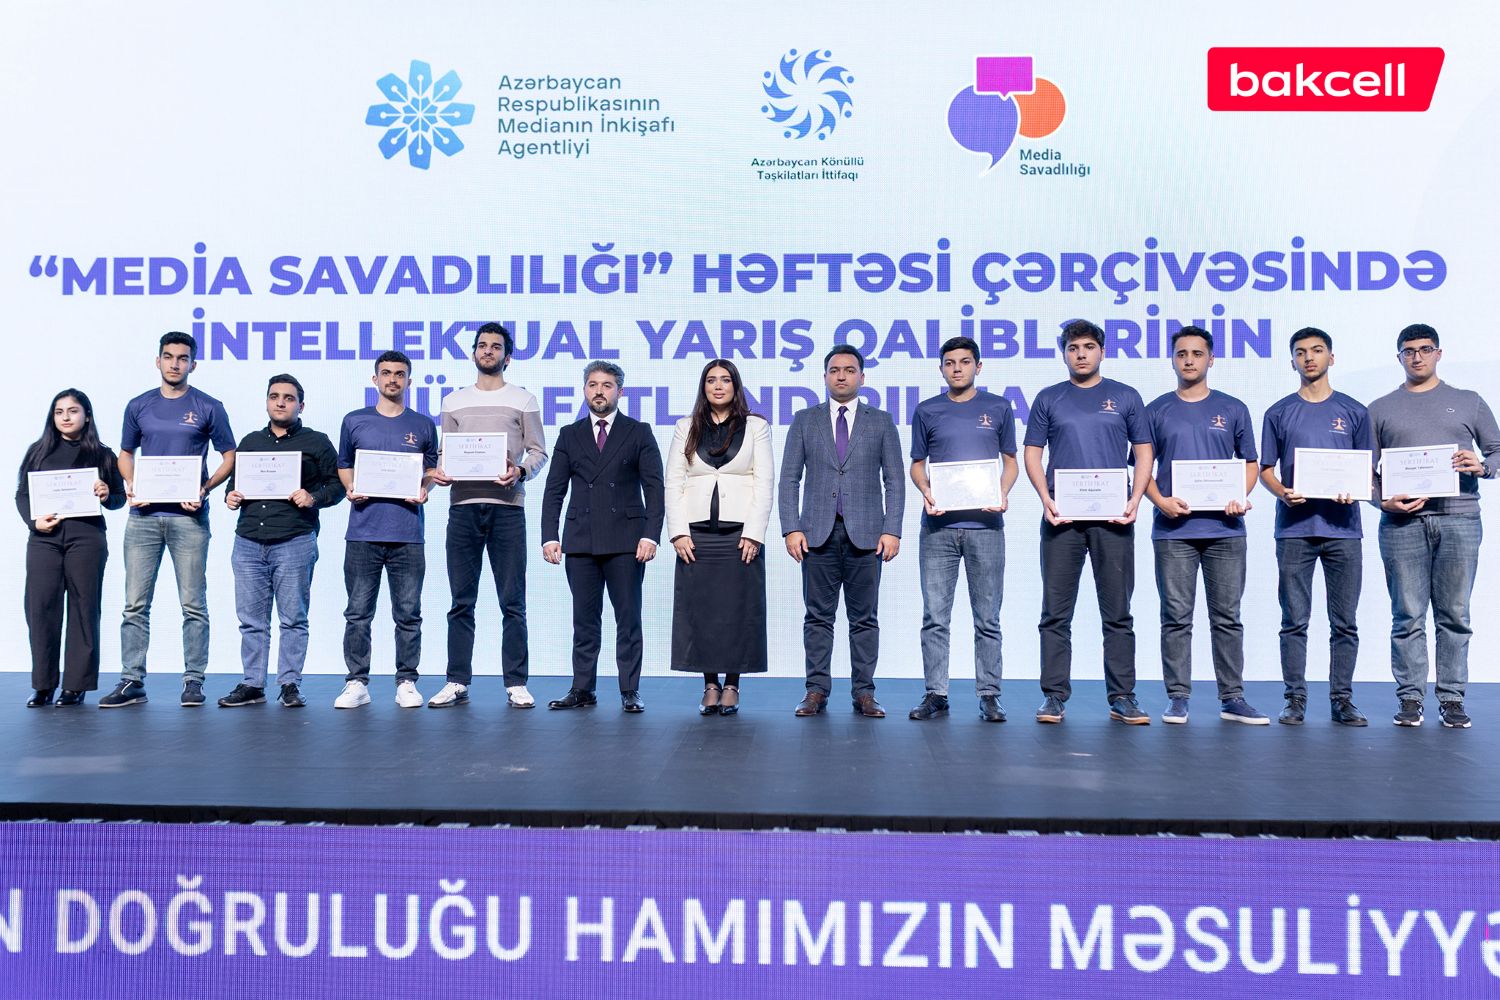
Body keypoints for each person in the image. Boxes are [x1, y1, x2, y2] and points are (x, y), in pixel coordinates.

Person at [1369, 323, 1500, 729]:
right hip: (1401, 523)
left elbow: (1497, 452)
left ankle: (1452, 698)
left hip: (1459, 517)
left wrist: (1483, 466)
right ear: (1399, 357)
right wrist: (1381, 500)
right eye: (1409, 351)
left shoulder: (1468, 401)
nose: (1417, 357)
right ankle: (1410, 697)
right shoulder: (1379, 408)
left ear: (1439, 353)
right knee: (1406, 614)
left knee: (1454, 613)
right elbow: (1364, 471)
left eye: (1425, 349)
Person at [1023, 319, 1153, 725]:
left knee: (1118, 613)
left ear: (1102, 351)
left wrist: (1135, 498)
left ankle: (1123, 696)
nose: (1081, 354)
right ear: (1064, 353)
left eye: (1088, 347)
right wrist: (1045, 498)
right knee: (1055, 613)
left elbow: (1144, 451)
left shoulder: (1126, 396)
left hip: (1114, 518)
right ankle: (1053, 697)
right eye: (1073, 347)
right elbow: (1032, 453)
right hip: (1061, 518)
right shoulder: (1049, 398)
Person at [101, 332, 236, 708]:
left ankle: (193, 681)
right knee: (134, 604)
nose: (175, 363)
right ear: (157, 361)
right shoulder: (138, 405)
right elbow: (125, 453)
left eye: (182, 358)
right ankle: (131, 680)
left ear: (193, 364)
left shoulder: (209, 406)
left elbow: (229, 456)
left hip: (189, 518)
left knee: (193, 604)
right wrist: (131, 484)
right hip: (143, 517)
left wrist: (205, 488)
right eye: (169, 356)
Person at [1144, 327, 1266, 725]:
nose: (1189, 360)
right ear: (1172, 360)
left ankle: (1232, 697)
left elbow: (1250, 463)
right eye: (1182, 354)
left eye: (1197, 353)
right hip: (1173, 531)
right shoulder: (1156, 410)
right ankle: (1178, 696)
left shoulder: (1233, 408)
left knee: (1227, 617)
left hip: (1225, 530)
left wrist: (1239, 495)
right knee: (1176, 617)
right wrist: (1160, 501)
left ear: (1211, 359)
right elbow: (1143, 469)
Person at [779, 345, 905, 719]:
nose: (841, 376)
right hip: (816, 534)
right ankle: (816, 690)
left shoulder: (880, 421)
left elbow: (895, 480)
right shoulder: (805, 420)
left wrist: (892, 530)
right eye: (835, 370)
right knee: (818, 618)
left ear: (862, 377)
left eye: (849, 370)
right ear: (825, 377)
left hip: (867, 535)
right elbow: (789, 479)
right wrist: (791, 528)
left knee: (864, 619)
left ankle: (864, 693)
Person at [427, 323, 548, 709]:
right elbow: (445, 452)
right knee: (461, 601)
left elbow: (538, 451)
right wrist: (440, 471)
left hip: (507, 509)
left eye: (496, 347)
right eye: (482, 345)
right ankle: (456, 679)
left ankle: (516, 682)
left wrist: (521, 471)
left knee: (512, 601)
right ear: (474, 353)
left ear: (507, 357)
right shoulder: (453, 401)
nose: (488, 351)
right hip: (462, 508)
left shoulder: (524, 400)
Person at [1259, 327, 1372, 727]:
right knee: (1294, 621)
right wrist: (1282, 492)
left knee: (1345, 623)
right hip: (1295, 530)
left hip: (1344, 530)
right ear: (1292, 361)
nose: (1309, 357)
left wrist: (1354, 490)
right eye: (1301, 352)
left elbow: (1366, 471)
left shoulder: (1355, 411)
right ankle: (1295, 699)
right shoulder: (1278, 412)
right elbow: (1265, 470)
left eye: (1317, 350)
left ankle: (1342, 700)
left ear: (1331, 358)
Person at [540, 362, 664, 713]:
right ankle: (582, 688)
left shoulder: (638, 431)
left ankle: (629, 689)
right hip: (580, 539)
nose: (599, 391)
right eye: (592, 384)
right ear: (584, 390)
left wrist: (651, 535)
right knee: (584, 620)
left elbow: (655, 488)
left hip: (627, 540)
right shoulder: (570, 433)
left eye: (607, 385)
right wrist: (549, 536)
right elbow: (554, 490)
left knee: (628, 619)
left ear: (619, 392)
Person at [908, 336, 1018, 723]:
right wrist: (925, 490)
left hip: (986, 527)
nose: (957, 368)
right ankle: (936, 693)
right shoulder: (927, 410)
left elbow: (1010, 461)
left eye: (965, 362)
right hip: (938, 528)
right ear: (941, 369)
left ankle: (989, 695)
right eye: (950, 363)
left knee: (987, 617)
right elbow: (917, 464)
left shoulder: (998, 407)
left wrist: (1002, 492)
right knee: (935, 617)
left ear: (978, 366)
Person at [217, 375, 344, 709]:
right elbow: (235, 485)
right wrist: (231, 496)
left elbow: (338, 486)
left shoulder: (317, 442)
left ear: (301, 405)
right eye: (274, 396)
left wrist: (313, 497)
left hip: (294, 539)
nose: (281, 402)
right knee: (251, 621)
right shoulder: (250, 442)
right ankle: (252, 684)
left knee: (293, 619)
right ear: (267, 402)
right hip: (248, 540)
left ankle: (289, 683)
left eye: (289, 398)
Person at [665, 359, 773, 715]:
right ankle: (710, 684)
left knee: (737, 611)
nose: (718, 386)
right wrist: (678, 532)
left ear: (735, 386)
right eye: (711, 380)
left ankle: (732, 685)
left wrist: (754, 533)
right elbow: (673, 481)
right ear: (703, 387)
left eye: (725, 380)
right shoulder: (686, 426)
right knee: (702, 611)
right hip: (696, 535)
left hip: (739, 535)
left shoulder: (756, 426)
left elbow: (764, 482)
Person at [333, 351, 439, 709]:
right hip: (363, 531)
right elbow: (344, 464)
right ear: (375, 379)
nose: (393, 379)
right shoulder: (354, 420)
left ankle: (406, 681)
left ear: (409, 380)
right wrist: (350, 487)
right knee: (357, 613)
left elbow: (429, 469)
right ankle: (356, 682)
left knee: (408, 613)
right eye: (386, 373)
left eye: (400, 374)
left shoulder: (423, 424)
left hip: (407, 532)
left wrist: (425, 488)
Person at [16, 390, 126, 706]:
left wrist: (106, 494)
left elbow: (118, 499)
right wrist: (34, 522)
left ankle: (75, 686)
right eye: (59, 411)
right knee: (41, 609)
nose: (65, 417)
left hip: (86, 539)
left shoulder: (102, 455)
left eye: (73, 411)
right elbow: (22, 495)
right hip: (44, 540)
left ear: (86, 416)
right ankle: (43, 685)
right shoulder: (37, 451)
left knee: (83, 608)